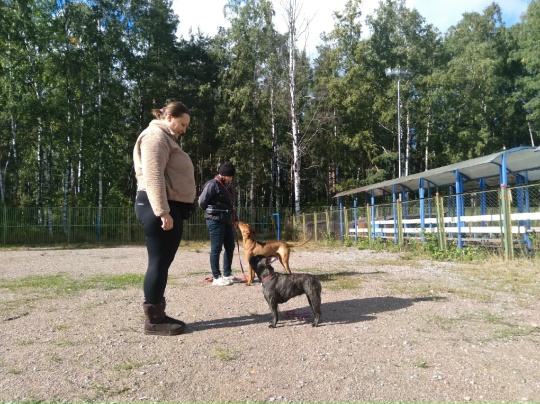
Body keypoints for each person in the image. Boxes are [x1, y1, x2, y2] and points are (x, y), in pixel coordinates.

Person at [133, 101, 196, 336]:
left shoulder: (165, 138)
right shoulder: (155, 137)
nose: (184, 130)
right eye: (182, 124)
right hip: (158, 207)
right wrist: (162, 211)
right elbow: (153, 176)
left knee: (161, 263)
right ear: (168, 117)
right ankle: (154, 321)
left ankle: (157, 316)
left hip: (166, 206)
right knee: (158, 263)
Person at [198, 162, 239, 286]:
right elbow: (201, 202)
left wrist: (235, 219)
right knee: (216, 248)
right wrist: (213, 211)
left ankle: (227, 273)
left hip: (227, 220)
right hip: (214, 220)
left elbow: (230, 206)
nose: (231, 179)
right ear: (224, 175)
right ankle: (216, 277)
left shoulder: (227, 186)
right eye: (230, 176)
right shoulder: (212, 184)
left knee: (230, 246)